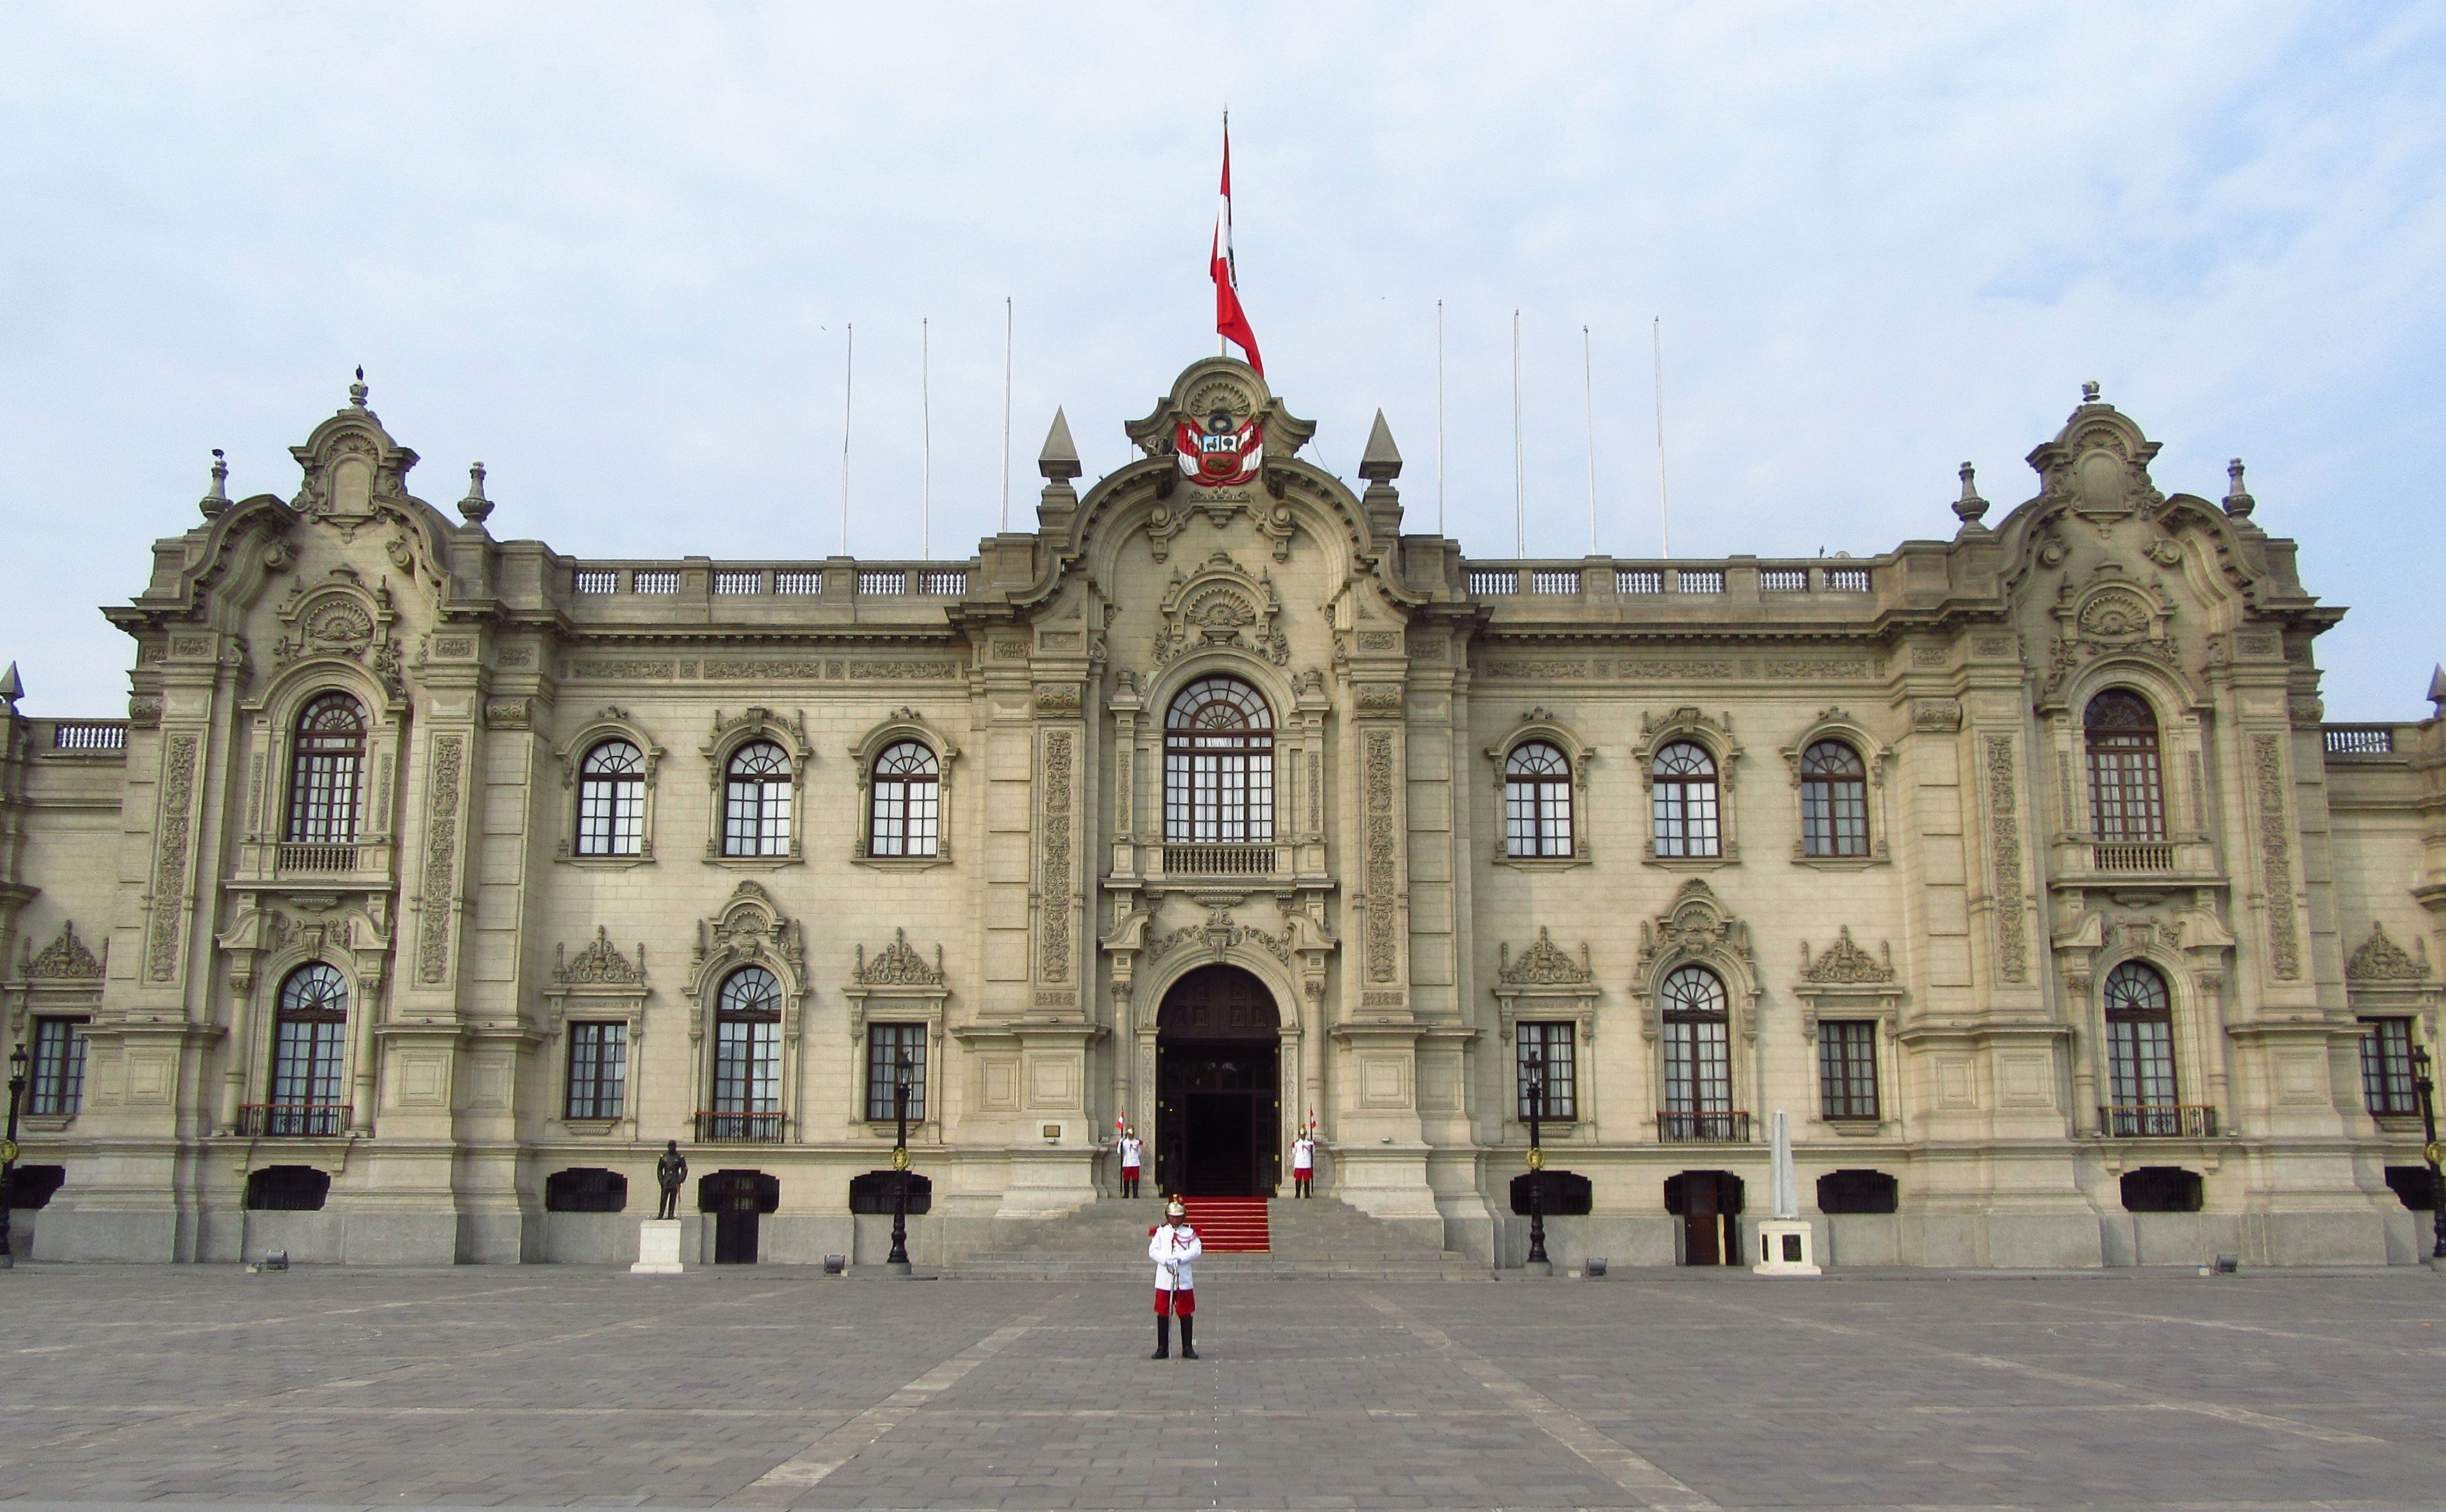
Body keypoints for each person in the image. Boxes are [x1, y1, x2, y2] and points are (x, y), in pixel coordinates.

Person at [1147, 1197, 1202, 1360]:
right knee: (1163, 1311)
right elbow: (1153, 1250)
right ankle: (1162, 1347)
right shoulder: (1161, 1232)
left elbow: (1197, 1249)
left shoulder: (1190, 1232)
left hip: (1183, 1277)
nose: (1175, 1219)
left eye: (1178, 1216)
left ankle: (1187, 1347)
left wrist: (1180, 1258)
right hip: (1165, 1277)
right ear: (1167, 1216)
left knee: (1185, 1311)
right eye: (1172, 1216)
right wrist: (1165, 1260)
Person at [654, 1139, 687, 1221]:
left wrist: (680, 1180)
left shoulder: (679, 1157)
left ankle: (671, 1214)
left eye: (674, 1146)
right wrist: (661, 1180)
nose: (672, 1148)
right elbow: (659, 1170)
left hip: (675, 1180)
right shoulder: (664, 1157)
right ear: (668, 1147)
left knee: (673, 1199)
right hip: (666, 1180)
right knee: (663, 1198)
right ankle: (661, 1214)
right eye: (671, 1146)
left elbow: (685, 1169)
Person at [1118, 1125, 1144, 1199]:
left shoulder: (1137, 1142)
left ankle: (1135, 1194)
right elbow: (1119, 1152)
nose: (1130, 1136)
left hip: (1135, 1163)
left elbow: (1139, 1153)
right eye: (1129, 1134)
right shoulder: (1125, 1142)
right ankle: (1126, 1194)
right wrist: (1120, 1143)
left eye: (1131, 1134)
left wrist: (1139, 1148)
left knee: (1135, 1179)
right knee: (1126, 1179)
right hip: (1127, 1163)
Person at [1290, 1128, 1316, 1198]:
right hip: (1299, 1163)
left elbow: (1313, 1152)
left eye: (1303, 1134)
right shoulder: (1297, 1143)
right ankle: (1297, 1194)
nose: (1302, 1136)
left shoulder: (1309, 1143)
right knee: (1298, 1179)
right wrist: (1293, 1147)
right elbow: (1294, 1153)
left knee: (1307, 1179)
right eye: (1301, 1135)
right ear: (1299, 1135)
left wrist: (1313, 1145)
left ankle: (1307, 1194)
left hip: (1307, 1163)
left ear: (1305, 1135)